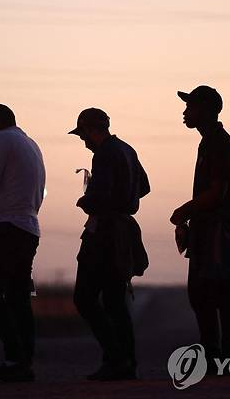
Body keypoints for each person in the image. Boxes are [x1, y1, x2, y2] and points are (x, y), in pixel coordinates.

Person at [69, 108, 150, 381]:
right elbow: (145, 187)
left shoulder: (103, 154)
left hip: (104, 233)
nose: (84, 141)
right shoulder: (127, 150)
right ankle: (127, 362)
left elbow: (99, 197)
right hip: (123, 233)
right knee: (115, 301)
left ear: (92, 130)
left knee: (85, 298)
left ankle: (115, 358)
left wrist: (85, 200)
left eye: (83, 135)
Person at [170, 85, 230, 367]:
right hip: (209, 226)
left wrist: (183, 211)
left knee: (212, 293)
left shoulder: (216, 142)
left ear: (206, 110)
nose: (185, 112)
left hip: (216, 228)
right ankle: (223, 355)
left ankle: (222, 357)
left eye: (191, 107)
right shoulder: (212, 141)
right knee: (214, 293)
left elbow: (218, 192)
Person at [0, 104, 46, 382]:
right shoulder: (30, 143)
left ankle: (14, 357)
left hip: (7, 227)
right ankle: (23, 360)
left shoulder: (1, 139)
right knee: (18, 297)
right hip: (29, 226)